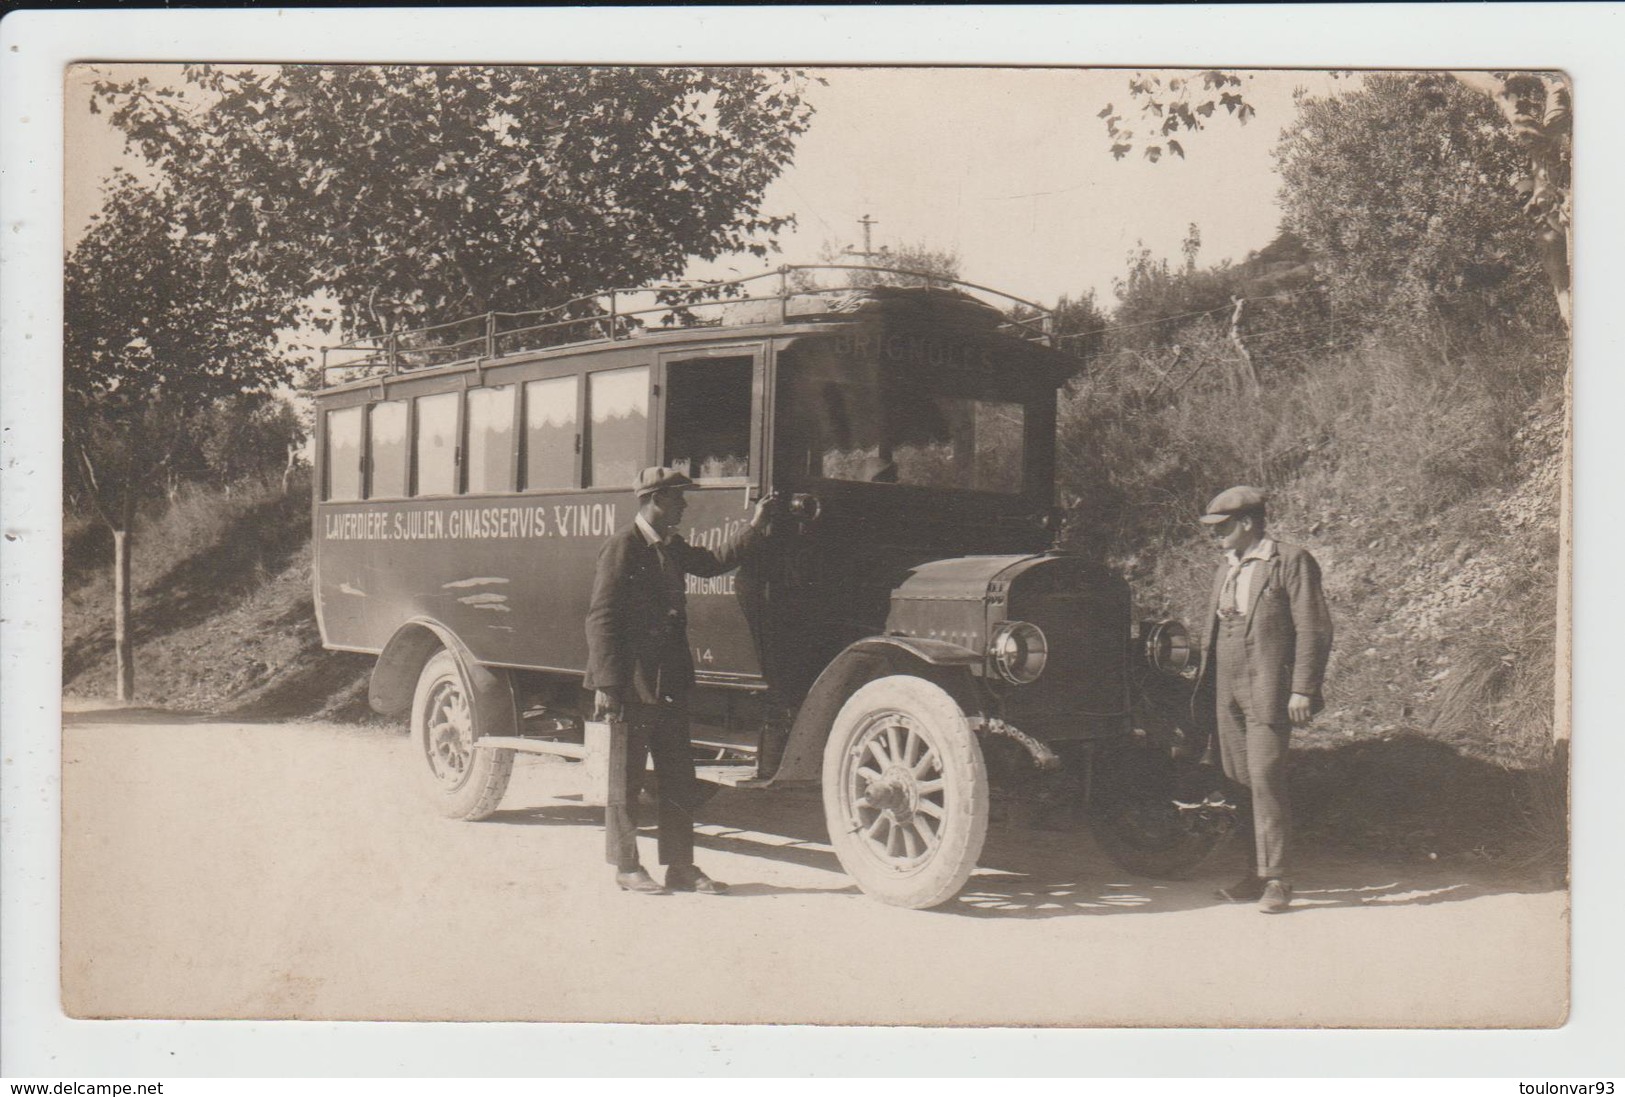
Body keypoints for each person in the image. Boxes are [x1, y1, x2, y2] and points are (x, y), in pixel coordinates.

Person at [584, 466, 776, 895]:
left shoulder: (669, 546)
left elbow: (711, 565)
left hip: (668, 681)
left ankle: (680, 866)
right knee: (626, 779)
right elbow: (602, 618)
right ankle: (627, 867)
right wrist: (607, 686)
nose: (685, 506)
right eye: (678, 499)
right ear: (655, 499)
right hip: (632, 685)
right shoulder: (623, 547)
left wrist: (756, 527)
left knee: (677, 777)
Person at [1194, 486, 1332, 913]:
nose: (1215, 536)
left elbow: (1313, 628)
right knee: (1238, 780)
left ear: (1249, 523)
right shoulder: (1227, 566)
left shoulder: (1290, 561)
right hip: (1226, 686)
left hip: (1268, 687)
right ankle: (1254, 873)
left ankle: (1278, 879)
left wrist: (1302, 688)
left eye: (1223, 527)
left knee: (1266, 775)